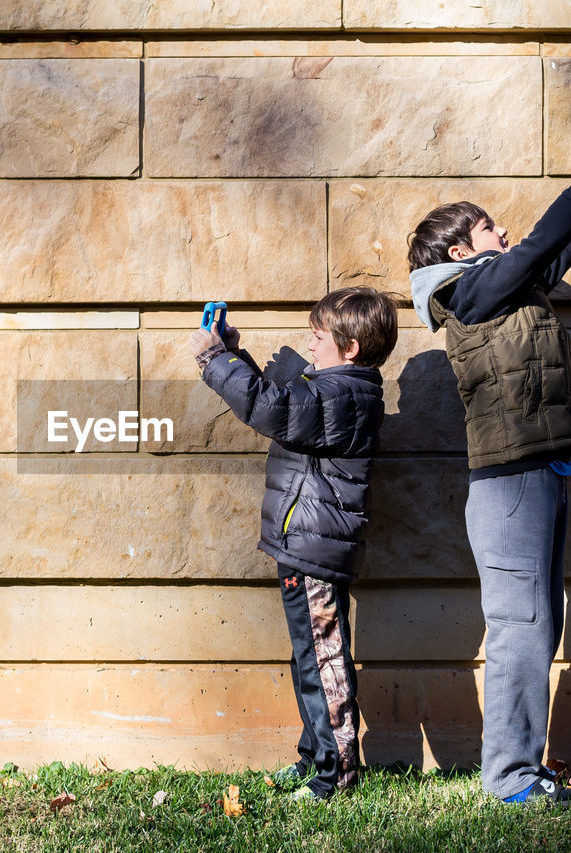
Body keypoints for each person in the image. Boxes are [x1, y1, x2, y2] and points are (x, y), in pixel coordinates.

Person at [405, 120, 571, 806]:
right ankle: (508, 780)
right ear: (458, 249)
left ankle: (523, 769)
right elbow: (535, 246)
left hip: (543, 472)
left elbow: (553, 248)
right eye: (490, 230)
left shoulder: (509, 289)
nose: (503, 236)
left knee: (541, 628)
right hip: (509, 483)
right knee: (520, 629)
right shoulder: (465, 294)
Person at [188, 286, 398, 801]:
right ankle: (315, 757)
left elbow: (270, 408)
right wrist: (235, 354)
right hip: (302, 547)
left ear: (350, 348)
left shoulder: (344, 394)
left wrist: (215, 359)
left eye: (319, 336)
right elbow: (284, 402)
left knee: (324, 661)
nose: (311, 343)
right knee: (309, 656)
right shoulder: (334, 391)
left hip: (315, 552)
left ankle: (338, 775)